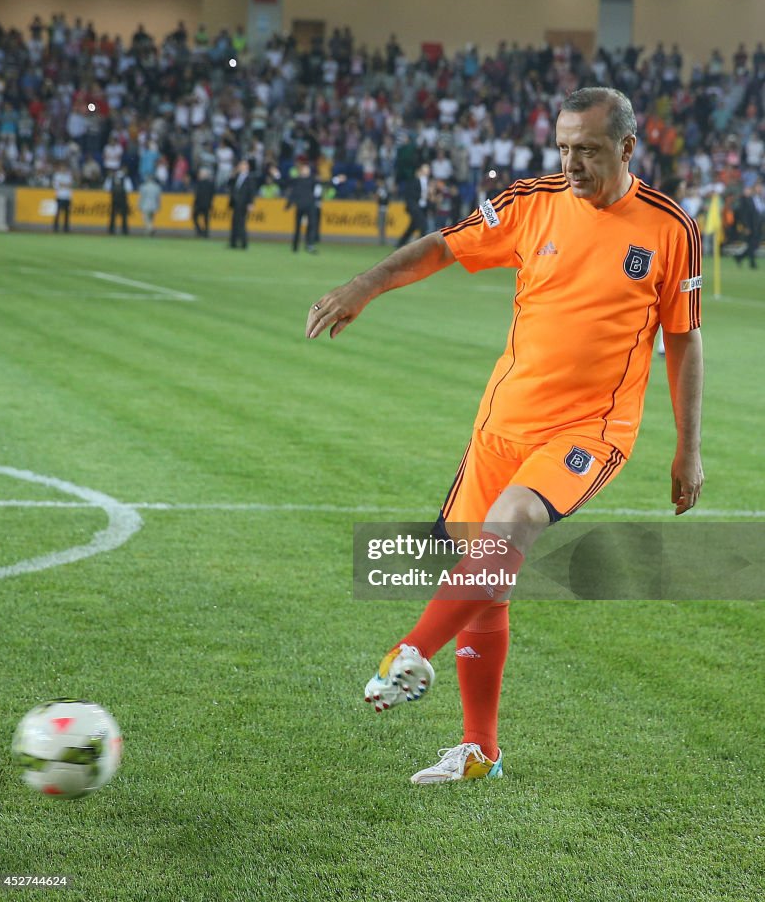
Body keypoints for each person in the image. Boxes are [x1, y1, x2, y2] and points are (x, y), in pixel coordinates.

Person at [306, 88, 704, 785]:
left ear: (628, 148)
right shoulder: (532, 202)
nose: (573, 162)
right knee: (488, 580)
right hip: (502, 425)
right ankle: (479, 749)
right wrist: (366, 285)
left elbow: (685, 340)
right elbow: (444, 247)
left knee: (514, 524)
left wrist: (687, 447)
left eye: (588, 149)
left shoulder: (671, 228)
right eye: (564, 147)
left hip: (591, 427)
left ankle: (409, 652)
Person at [285, 161, 321, 254]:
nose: (305, 171)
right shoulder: (297, 180)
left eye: (306, 169)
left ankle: (310, 245)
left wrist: (336, 179)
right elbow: (293, 193)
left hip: (310, 206)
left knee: (312, 225)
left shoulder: (312, 180)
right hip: (300, 206)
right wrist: (289, 204)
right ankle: (295, 246)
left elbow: (324, 184)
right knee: (297, 227)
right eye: (304, 169)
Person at [396, 162, 430, 248]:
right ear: (420, 171)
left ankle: (400, 243)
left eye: (428, 169)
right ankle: (423, 246)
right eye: (425, 169)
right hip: (415, 207)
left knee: (412, 227)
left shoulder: (428, 182)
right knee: (424, 225)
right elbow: (410, 195)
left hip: (423, 208)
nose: (427, 171)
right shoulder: (414, 181)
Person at [734, 181, 764, 269]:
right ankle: (752, 263)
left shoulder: (761, 199)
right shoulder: (749, 199)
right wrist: (746, 226)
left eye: (761, 188)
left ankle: (739, 257)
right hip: (751, 226)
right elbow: (745, 215)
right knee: (752, 244)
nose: (760, 189)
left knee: (754, 245)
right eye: (758, 188)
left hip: (759, 226)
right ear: (754, 189)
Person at [228, 159, 254, 250]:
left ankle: (244, 243)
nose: (241, 167)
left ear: (247, 167)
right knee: (234, 223)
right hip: (235, 203)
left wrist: (250, 203)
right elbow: (229, 185)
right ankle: (233, 243)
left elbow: (251, 192)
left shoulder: (249, 178)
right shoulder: (237, 177)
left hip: (243, 204)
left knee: (241, 224)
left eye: (243, 165)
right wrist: (232, 175)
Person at [105, 167, 133, 235]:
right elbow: (129, 189)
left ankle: (111, 230)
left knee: (113, 215)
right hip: (123, 198)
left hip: (114, 198)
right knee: (124, 215)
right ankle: (124, 230)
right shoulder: (125, 178)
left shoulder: (111, 178)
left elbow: (106, 188)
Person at [192, 167, 216, 238]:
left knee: (203, 218)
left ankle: (203, 232)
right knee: (201, 218)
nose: (199, 175)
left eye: (201, 174)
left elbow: (211, 194)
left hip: (203, 204)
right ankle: (203, 232)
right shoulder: (204, 183)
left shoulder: (205, 183)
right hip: (203, 204)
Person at [52, 161, 73, 233]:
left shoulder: (68, 176)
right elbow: (57, 185)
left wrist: (62, 184)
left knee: (67, 214)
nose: (63, 169)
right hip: (60, 196)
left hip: (67, 197)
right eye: (62, 167)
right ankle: (56, 227)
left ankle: (66, 228)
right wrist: (65, 185)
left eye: (64, 167)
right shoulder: (57, 175)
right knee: (57, 213)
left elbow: (70, 185)